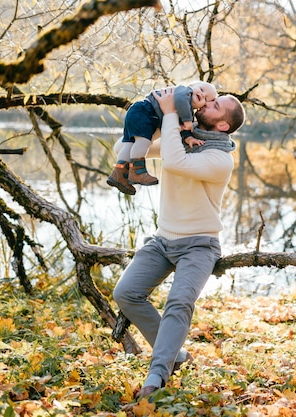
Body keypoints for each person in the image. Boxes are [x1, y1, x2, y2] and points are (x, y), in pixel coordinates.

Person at [113, 87, 246, 400]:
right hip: (163, 240)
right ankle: (177, 355)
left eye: (215, 104)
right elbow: (124, 148)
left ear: (223, 125)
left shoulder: (219, 159)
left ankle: (157, 375)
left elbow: (174, 163)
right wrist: (153, 119)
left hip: (199, 245)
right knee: (126, 293)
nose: (207, 102)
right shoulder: (183, 136)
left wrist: (172, 112)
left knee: (178, 303)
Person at [107, 81, 218, 195]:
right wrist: (187, 120)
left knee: (129, 144)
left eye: (206, 98)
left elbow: (183, 129)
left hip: (138, 112)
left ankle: (118, 174)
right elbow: (181, 103)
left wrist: (188, 138)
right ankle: (137, 171)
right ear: (191, 86)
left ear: (201, 107)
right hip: (145, 112)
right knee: (143, 142)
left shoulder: (187, 111)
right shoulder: (184, 92)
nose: (203, 94)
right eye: (202, 89)